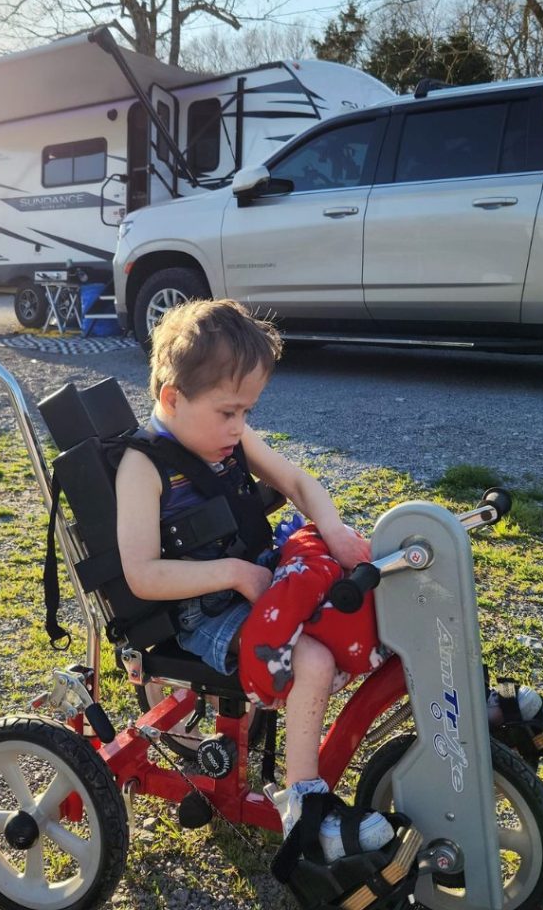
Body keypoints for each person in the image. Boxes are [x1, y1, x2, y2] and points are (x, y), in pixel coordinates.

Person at [115, 298, 392, 862]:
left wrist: (332, 528)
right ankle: (302, 806)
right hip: (202, 615)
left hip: (259, 584)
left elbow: (297, 480)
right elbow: (141, 575)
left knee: (364, 597)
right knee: (311, 659)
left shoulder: (229, 440)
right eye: (228, 412)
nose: (240, 426)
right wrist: (237, 573)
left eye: (247, 411)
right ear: (172, 397)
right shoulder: (141, 467)